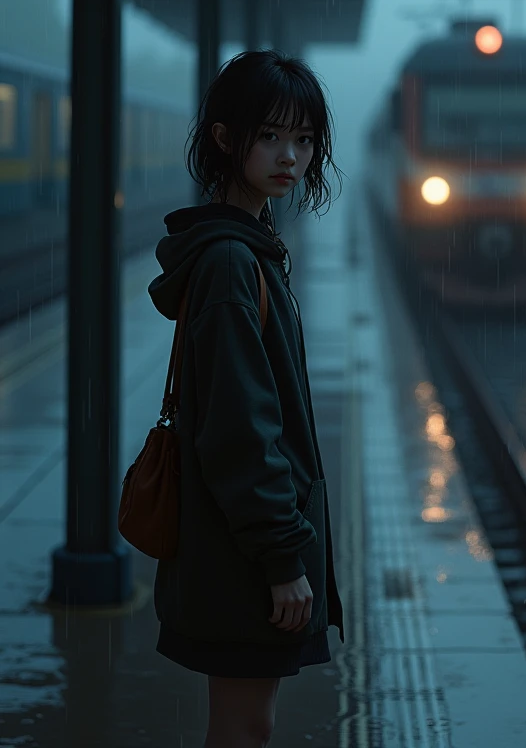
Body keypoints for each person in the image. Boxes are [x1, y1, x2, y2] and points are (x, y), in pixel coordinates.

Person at [147, 49, 345, 748]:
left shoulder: (246, 249)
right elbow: (241, 432)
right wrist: (283, 559)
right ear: (227, 139)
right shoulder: (234, 263)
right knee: (244, 729)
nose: (290, 156)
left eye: (303, 139)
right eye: (270, 136)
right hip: (244, 556)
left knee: (241, 724)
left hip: (232, 546)